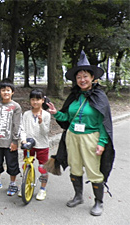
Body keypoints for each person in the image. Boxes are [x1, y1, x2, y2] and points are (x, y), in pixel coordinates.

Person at [46, 50, 115, 216]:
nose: (82, 80)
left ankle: (98, 202)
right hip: (72, 137)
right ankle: (78, 196)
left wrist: (102, 143)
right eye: (79, 77)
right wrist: (56, 113)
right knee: (75, 168)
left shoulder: (100, 96)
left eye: (85, 76)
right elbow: (68, 118)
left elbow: (104, 123)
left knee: (93, 170)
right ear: (75, 80)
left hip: (91, 138)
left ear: (92, 78)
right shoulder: (74, 96)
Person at [0, 78, 22, 196]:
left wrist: (15, 140)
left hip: (10, 142)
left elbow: (17, 124)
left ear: (12, 92)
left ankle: (13, 184)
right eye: (3, 90)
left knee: (12, 164)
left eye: (8, 90)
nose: (6, 92)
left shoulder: (16, 107)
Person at [20, 89, 51, 200]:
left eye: (38, 99)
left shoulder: (46, 115)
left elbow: (45, 132)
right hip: (29, 144)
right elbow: (22, 129)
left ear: (43, 100)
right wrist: (23, 140)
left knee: (43, 168)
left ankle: (42, 189)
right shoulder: (26, 114)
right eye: (33, 99)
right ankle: (26, 185)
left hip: (42, 145)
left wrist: (41, 122)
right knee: (26, 165)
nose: (35, 102)